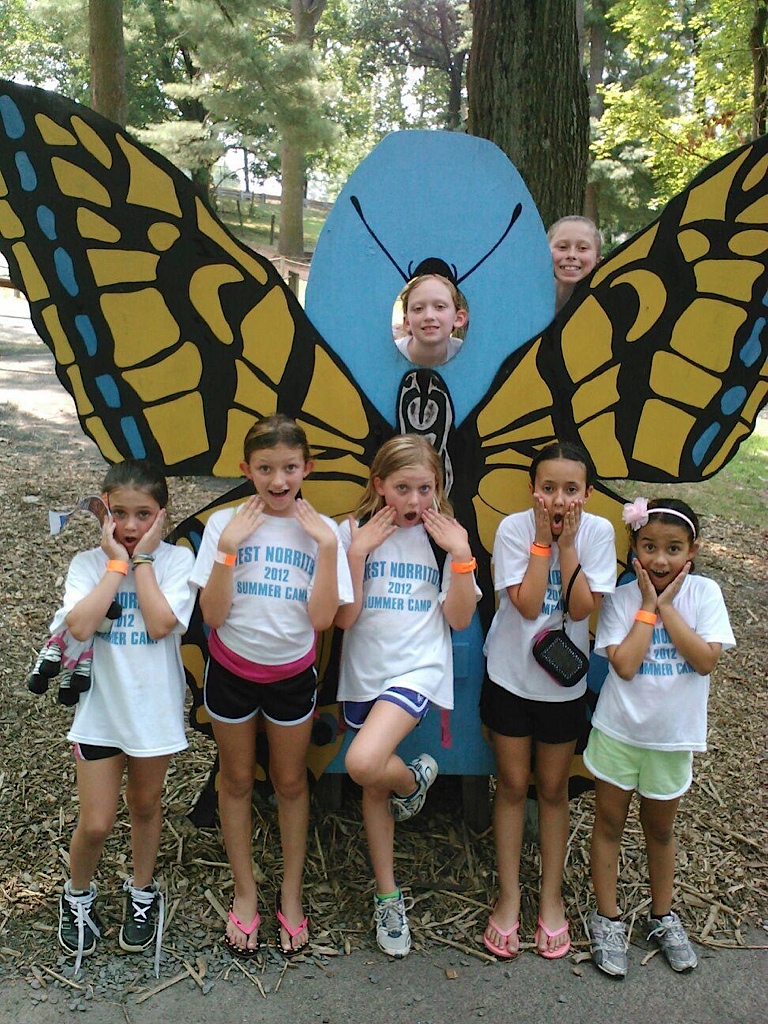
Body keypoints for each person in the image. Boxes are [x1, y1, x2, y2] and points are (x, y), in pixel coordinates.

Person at [190, 415, 353, 958]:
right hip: (232, 673)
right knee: (236, 781)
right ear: (246, 470)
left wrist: (327, 549)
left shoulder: (321, 532)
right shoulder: (225, 526)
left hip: (291, 678)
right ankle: (244, 893)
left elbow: (325, 618)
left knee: (289, 783)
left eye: (289, 468)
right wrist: (228, 548)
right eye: (265, 469)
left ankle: (291, 893)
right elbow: (212, 614)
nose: (278, 481)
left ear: (307, 467)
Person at [335, 435, 480, 958]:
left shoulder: (445, 537)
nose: (416, 500)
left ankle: (413, 778)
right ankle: (388, 896)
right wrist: (355, 552)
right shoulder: (351, 533)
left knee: (363, 762)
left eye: (426, 487)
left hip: (417, 669)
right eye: (403, 488)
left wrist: (460, 554)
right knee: (374, 782)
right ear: (379, 486)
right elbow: (344, 618)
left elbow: (459, 617)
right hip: (363, 673)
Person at [55, 460, 196, 975]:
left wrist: (143, 564)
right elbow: (80, 625)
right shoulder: (88, 564)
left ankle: (142, 891)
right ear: (103, 511)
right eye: (120, 514)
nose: (131, 527)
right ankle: (77, 895)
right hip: (100, 714)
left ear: (162, 515)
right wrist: (116, 564)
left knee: (145, 805)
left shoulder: (179, 563)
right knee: (95, 823)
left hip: (153, 715)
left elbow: (161, 624)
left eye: (143, 515)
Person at [584, 497, 734, 978]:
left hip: (672, 739)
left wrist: (666, 609)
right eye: (650, 546)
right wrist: (648, 605)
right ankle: (606, 918)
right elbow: (624, 665)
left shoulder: (705, 594)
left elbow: (704, 658)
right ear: (634, 549)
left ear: (692, 550)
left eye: (673, 548)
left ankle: (662, 915)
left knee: (661, 829)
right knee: (608, 824)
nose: (661, 560)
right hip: (618, 732)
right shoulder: (622, 600)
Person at [480, 441, 616, 960]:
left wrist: (569, 546)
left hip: (562, 687)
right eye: (549, 488)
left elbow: (581, 609)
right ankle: (510, 897)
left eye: (572, 489)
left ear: (586, 492)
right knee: (514, 785)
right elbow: (530, 602)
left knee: (554, 789)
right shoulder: (514, 528)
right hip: (511, 677)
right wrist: (542, 541)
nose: (560, 501)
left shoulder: (599, 533)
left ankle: (552, 899)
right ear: (532, 490)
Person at [394, 273, 469, 367]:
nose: (429, 316)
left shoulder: (466, 352)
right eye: (418, 309)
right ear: (407, 322)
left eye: (440, 307)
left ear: (458, 318)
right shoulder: (393, 352)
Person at [548, 216, 602, 313]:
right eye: (562, 247)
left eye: (582, 248)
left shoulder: (603, 308)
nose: (571, 255)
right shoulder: (525, 298)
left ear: (598, 260)